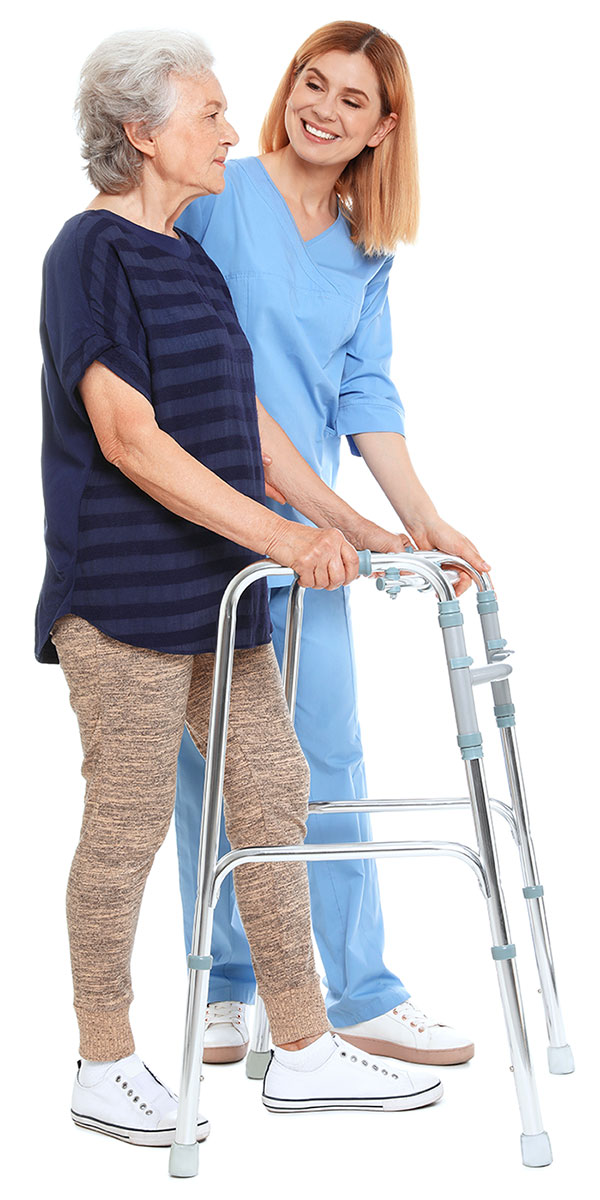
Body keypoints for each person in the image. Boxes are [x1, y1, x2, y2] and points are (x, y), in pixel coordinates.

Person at [36, 29, 445, 1149]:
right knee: (126, 823)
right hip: (122, 599)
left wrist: (355, 528)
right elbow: (128, 436)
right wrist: (281, 535)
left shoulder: (190, 259)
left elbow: (251, 428)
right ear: (142, 133)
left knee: (273, 794)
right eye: (210, 113)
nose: (234, 129)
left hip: (223, 593)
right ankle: (103, 1062)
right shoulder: (91, 251)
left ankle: (305, 1049)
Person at [176, 20, 490, 1067]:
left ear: (383, 127)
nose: (323, 108)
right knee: (208, 763)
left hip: (315, 544)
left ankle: (361, 990)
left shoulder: (366, 247)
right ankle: (225, 987)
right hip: (200, 522)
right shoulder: (219, 197)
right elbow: (191, 362)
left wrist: (424, 521)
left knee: (326, 759)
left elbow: (366, 394)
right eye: (313, 84)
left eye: (353, 99)